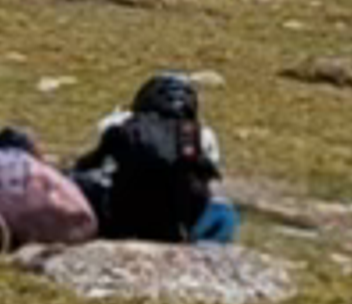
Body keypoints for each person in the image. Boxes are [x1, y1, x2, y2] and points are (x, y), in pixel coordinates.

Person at [70, 66, 233, 244]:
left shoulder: (123, 123)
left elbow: (93, 161)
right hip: (172, 224)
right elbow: (209, 175)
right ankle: (208, 249)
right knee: (222, 208)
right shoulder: (196, 134)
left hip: (121, 216)